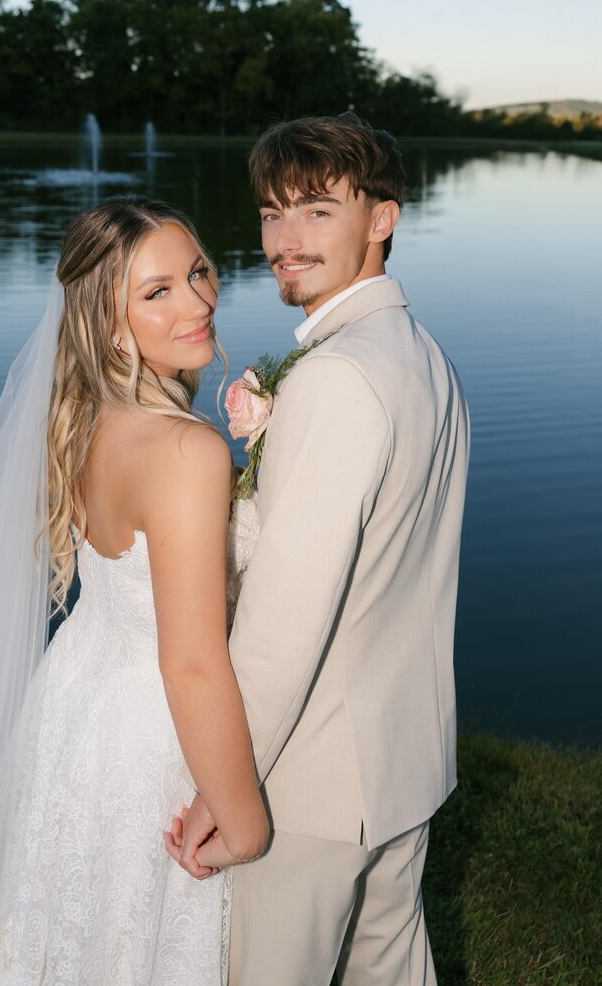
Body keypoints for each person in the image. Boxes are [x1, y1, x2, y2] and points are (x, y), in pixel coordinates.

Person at [0, 195, 268, 985]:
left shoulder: (82, 416)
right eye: (158, 291)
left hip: (74, 701)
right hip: (151, 731)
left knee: (52, 928)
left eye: (198, 272)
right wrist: (243, 821)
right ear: (110, 324)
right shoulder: (187, 451)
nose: (198, 302)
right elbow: (189, 661)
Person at [168, 114, 471, 986]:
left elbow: (284, 624)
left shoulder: (335, 377)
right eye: (272, 214)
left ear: (382, 218)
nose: (284, 241)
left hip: (313, 782)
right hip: (405, 764)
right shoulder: (421, 353)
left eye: (316, 211)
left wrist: (227, 787)